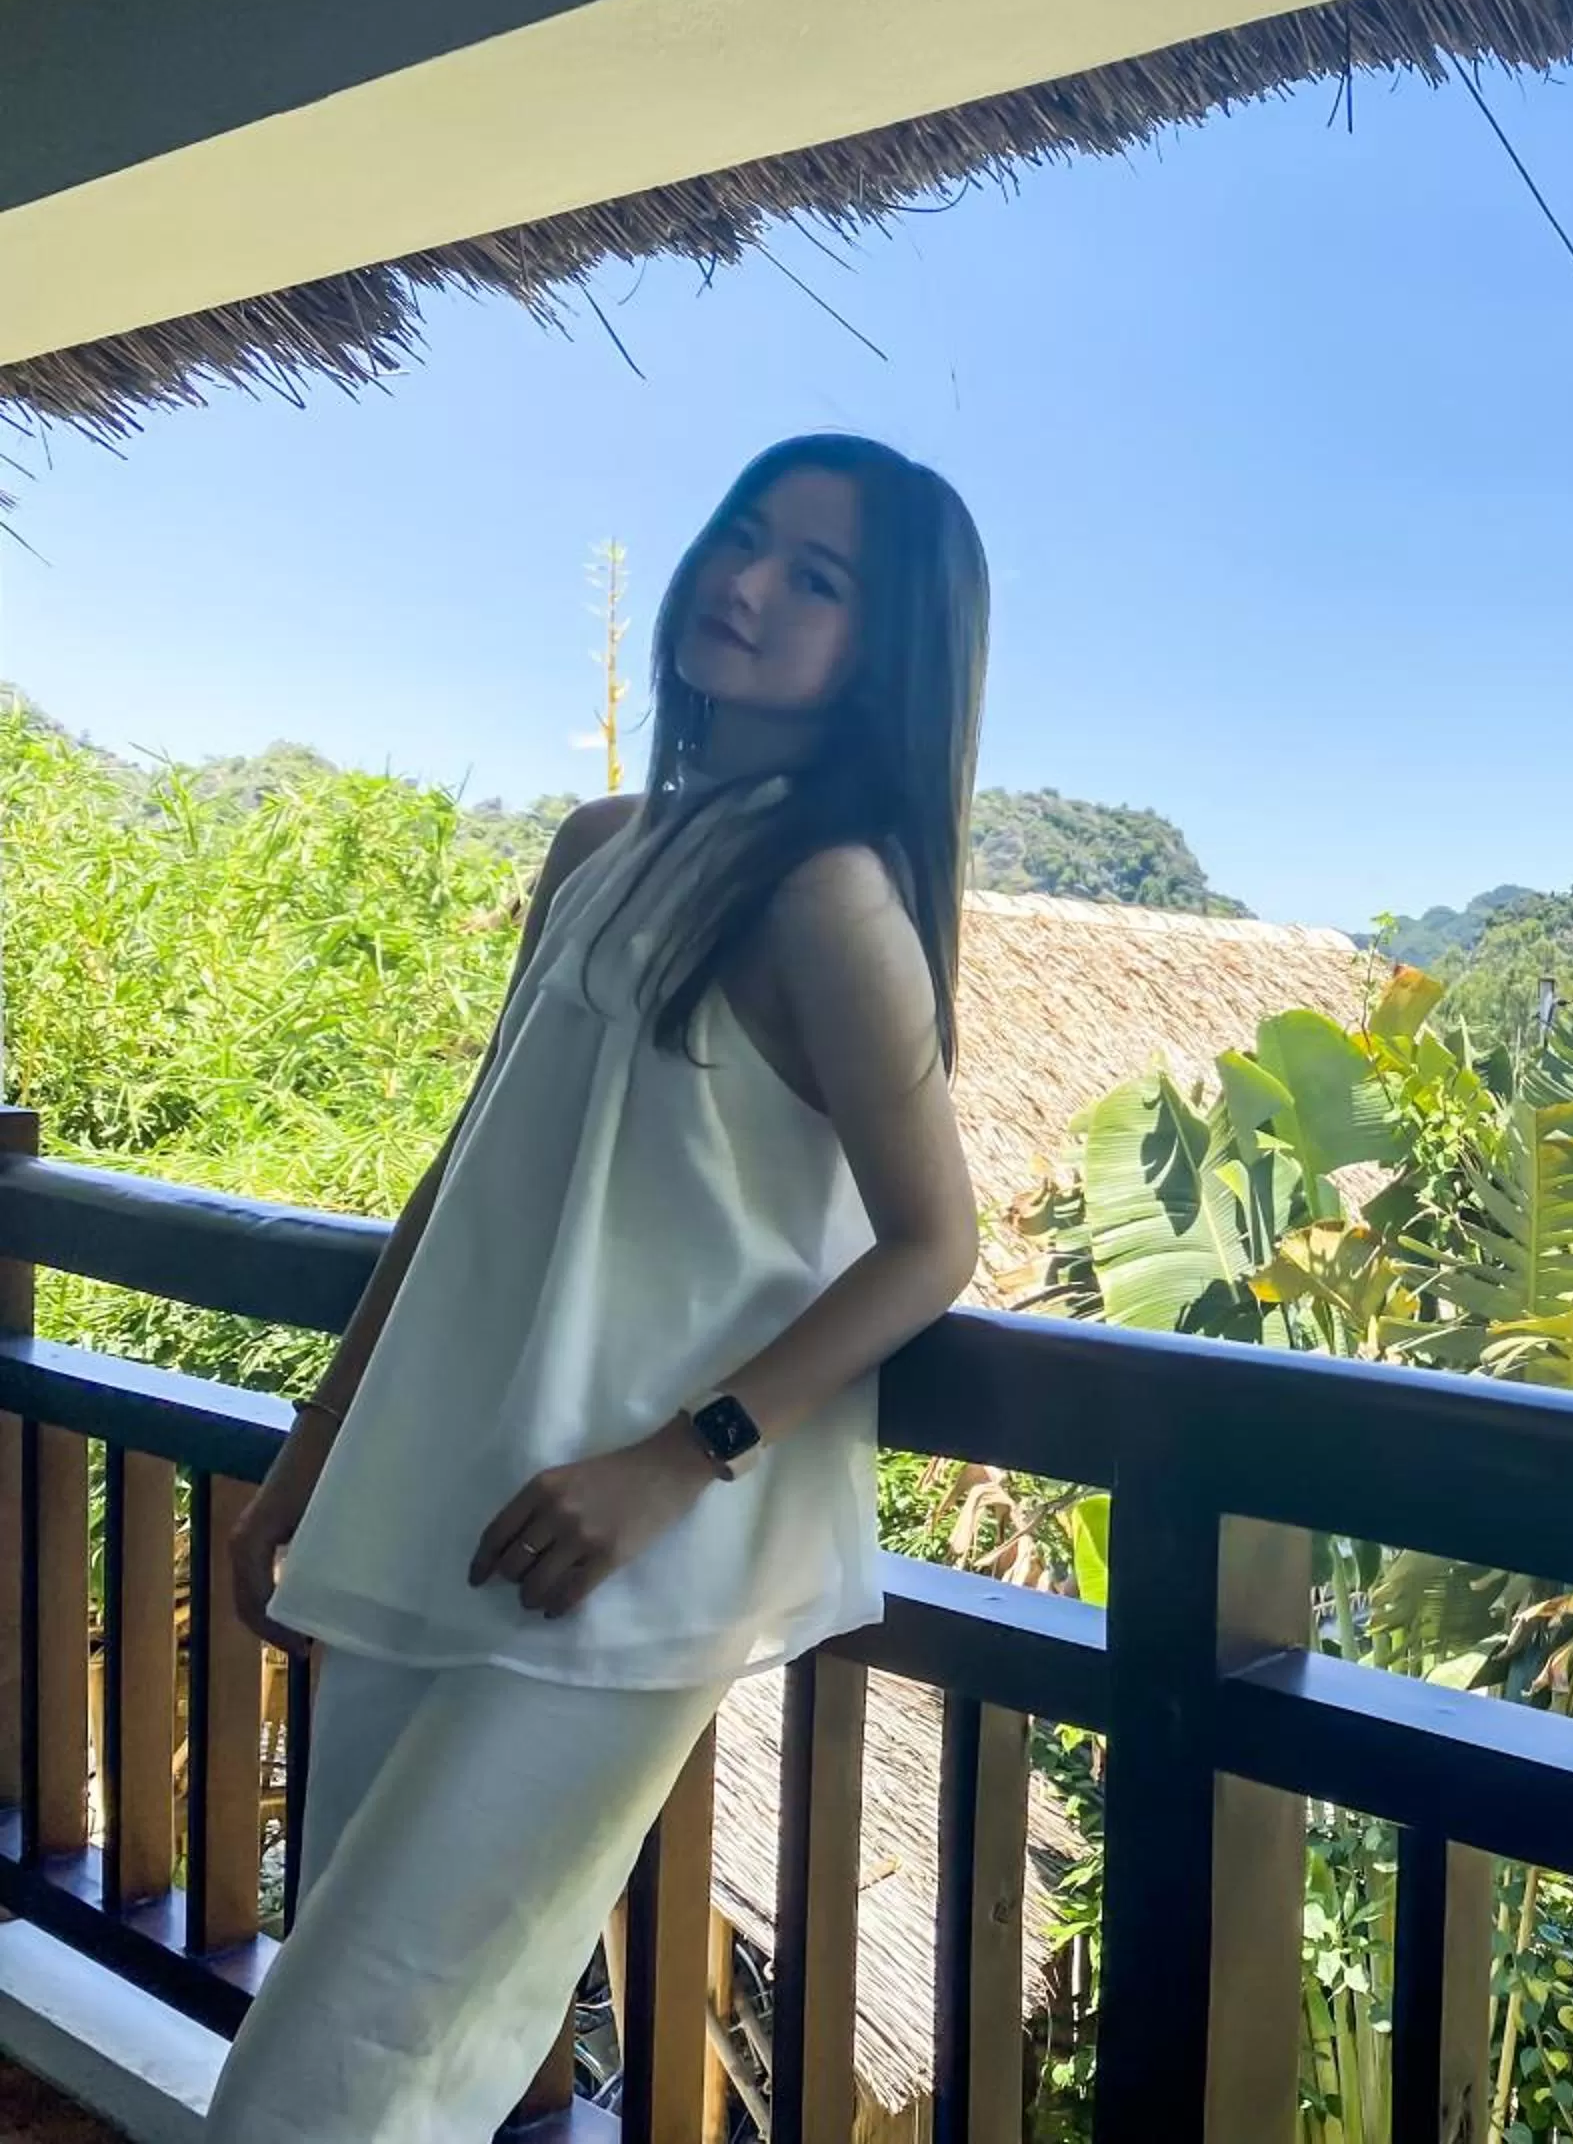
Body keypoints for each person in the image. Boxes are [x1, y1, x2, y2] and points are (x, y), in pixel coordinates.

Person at [207, 435, 991, 2143]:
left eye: (818, 577)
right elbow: (466, 1172)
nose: (747, 582)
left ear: (889, 651)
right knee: (364, 2006)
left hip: (610, 1563)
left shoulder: (829, 892)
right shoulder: (602, 844)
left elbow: (937, 1239)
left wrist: (678, 1453)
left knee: (346, 2068)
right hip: (445, 1491)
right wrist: (311, 1453)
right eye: (747, 537)